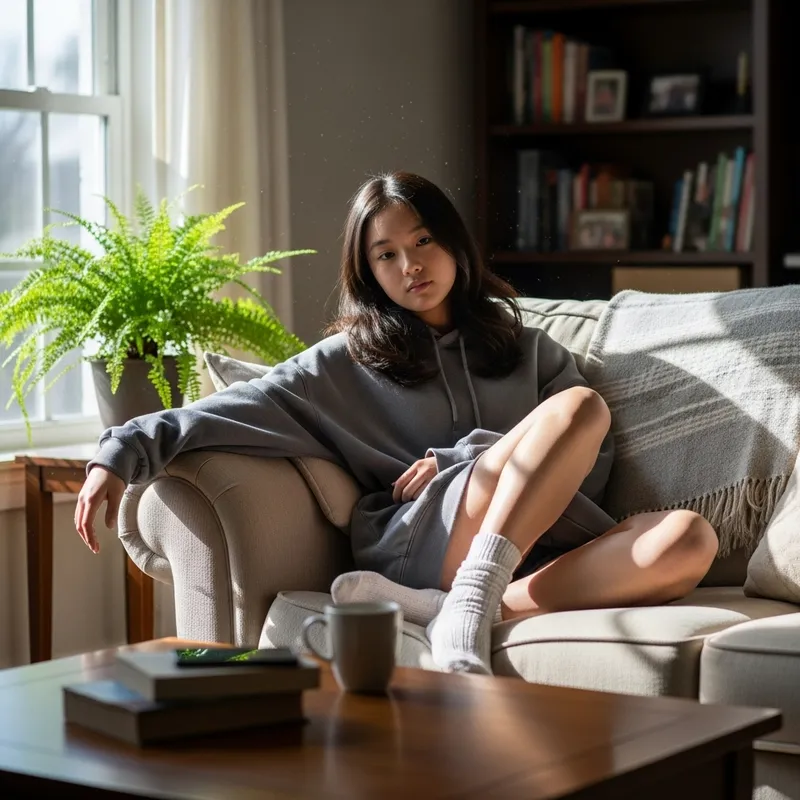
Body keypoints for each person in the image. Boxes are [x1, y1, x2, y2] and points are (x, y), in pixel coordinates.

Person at [75, 171, 719, 675]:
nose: (410, 265)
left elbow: (590, 468)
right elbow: (228, 409)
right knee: (584, 407)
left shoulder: (529, 351)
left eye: (423, 242)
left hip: (536, 545)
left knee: (688, 541)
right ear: (368, 270)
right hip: (423, 536)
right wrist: (118, 451)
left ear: (453, 244)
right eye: (385, 255)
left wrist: (469, 457)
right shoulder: (343, 363)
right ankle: (464, 601)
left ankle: (458, 610)